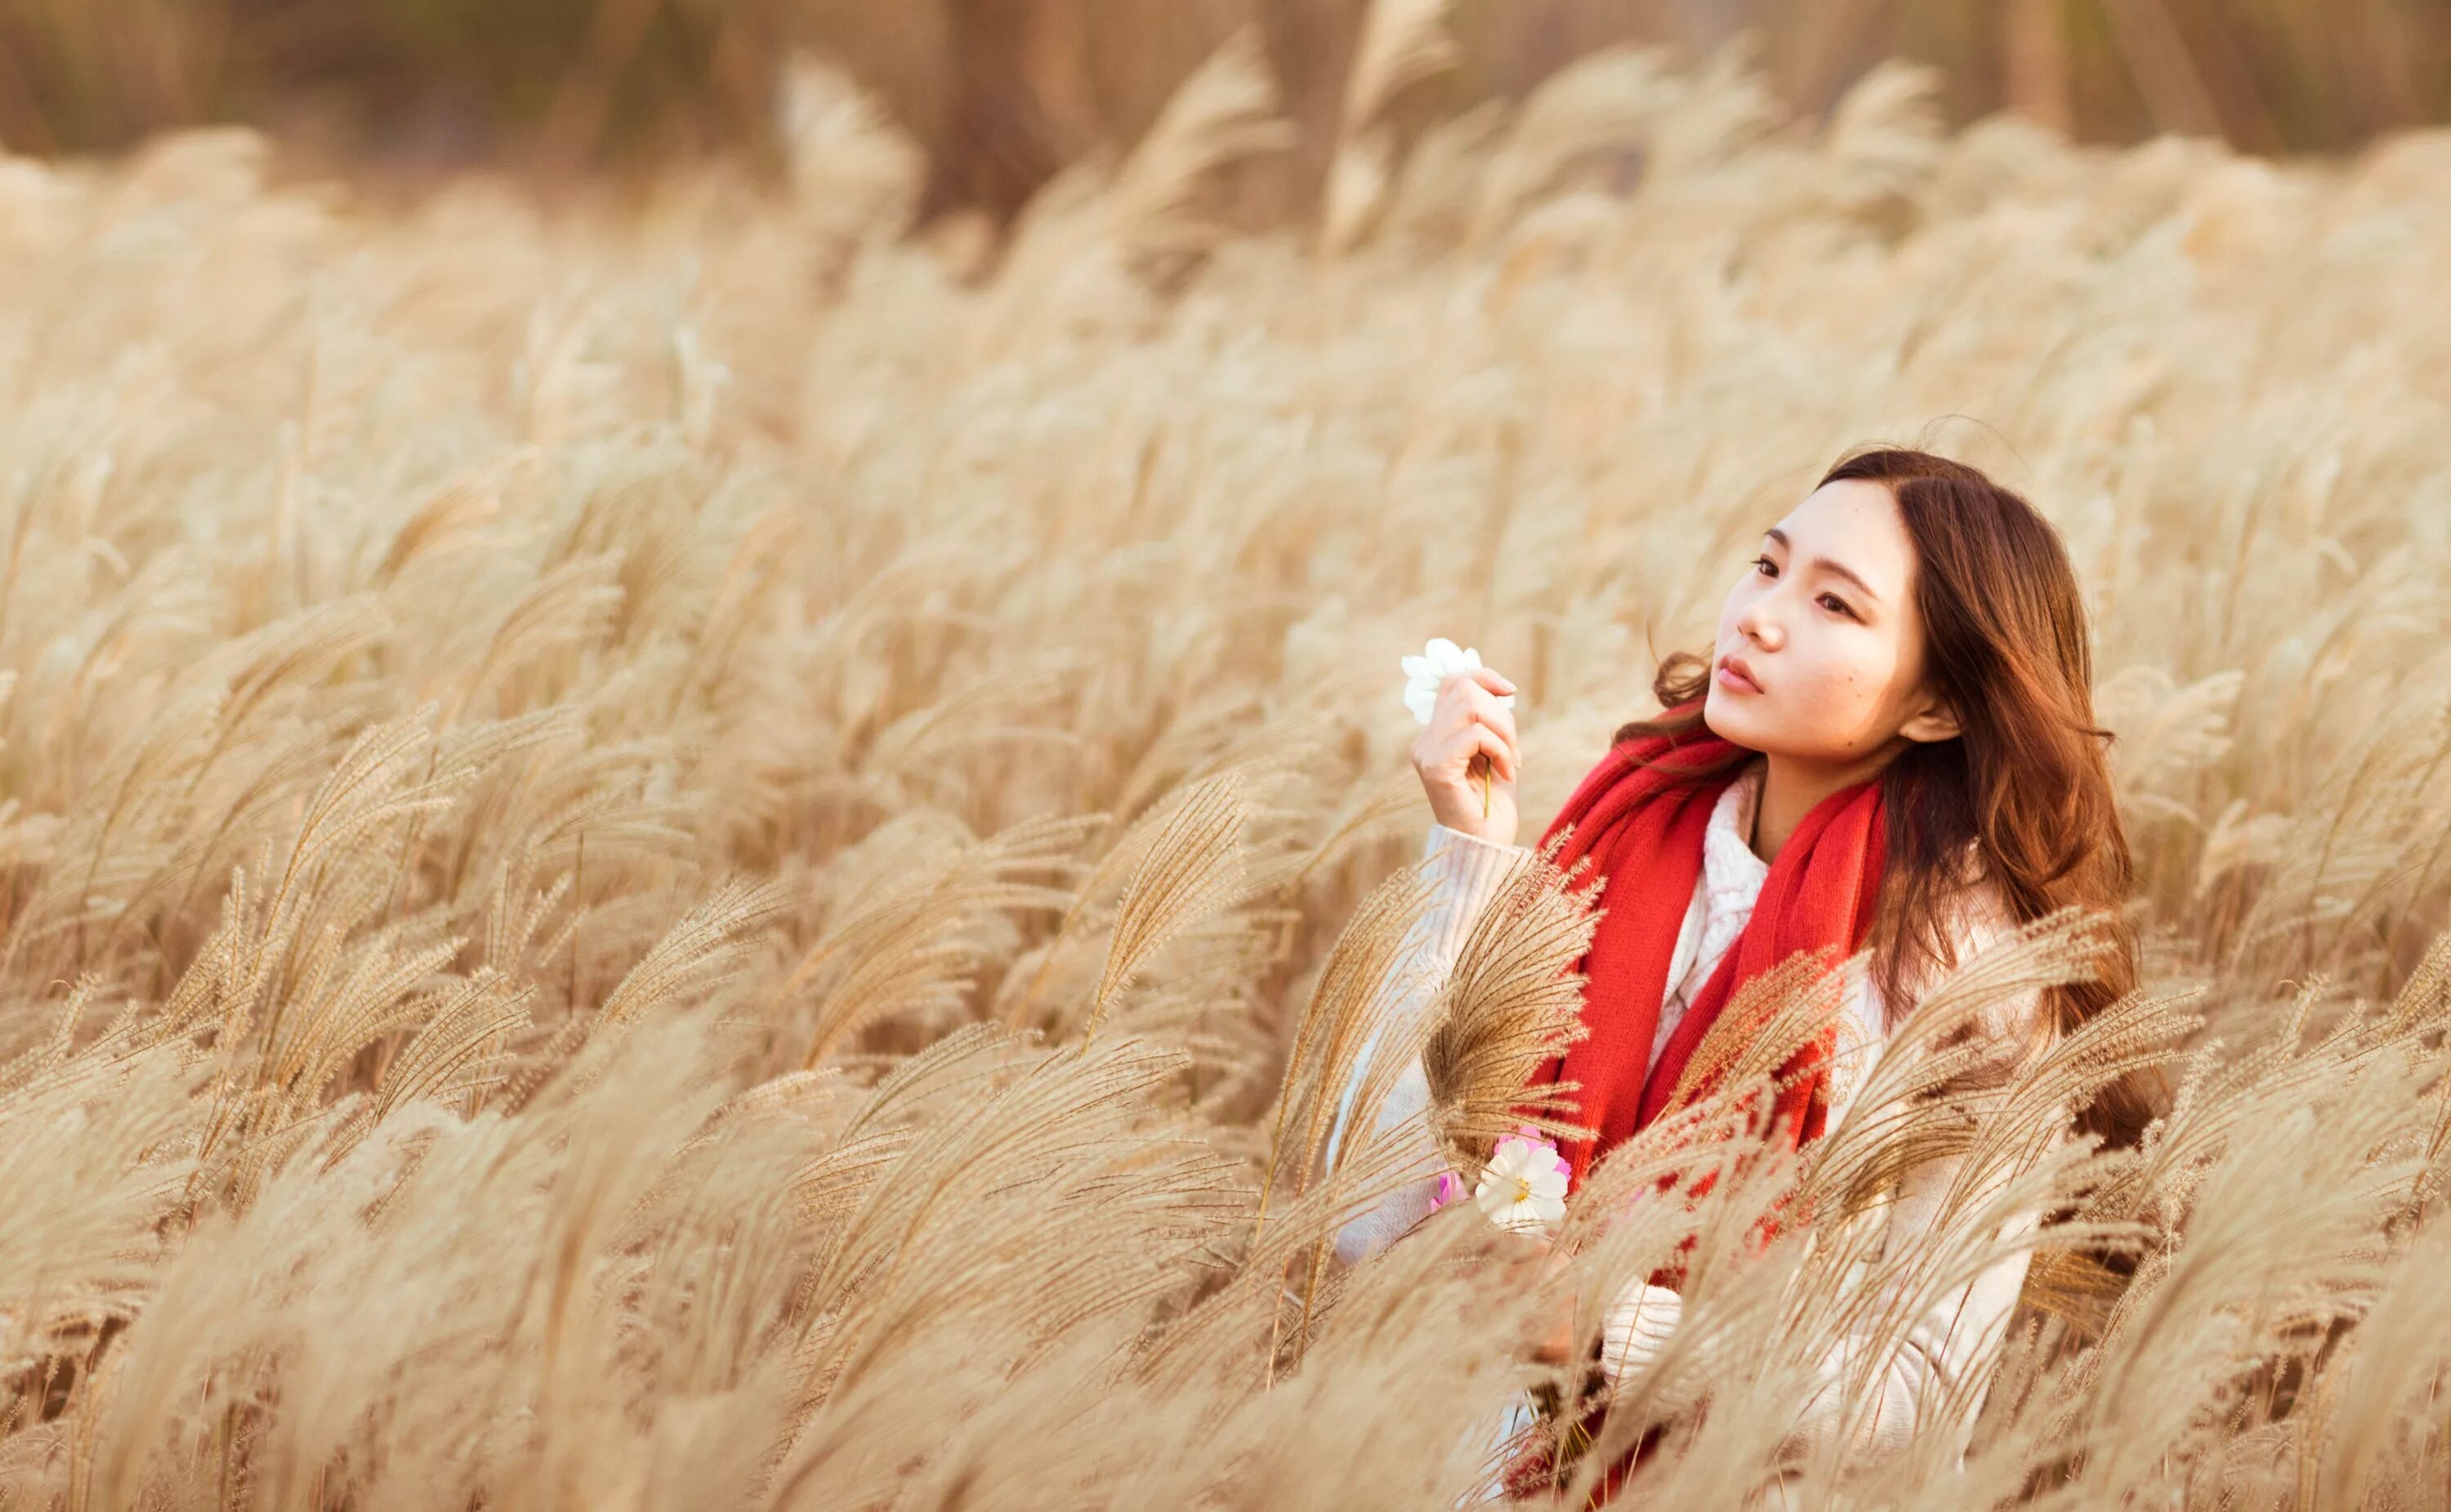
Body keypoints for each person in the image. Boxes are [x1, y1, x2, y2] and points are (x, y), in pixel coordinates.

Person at [1324, 446, 2164, 1501]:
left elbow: (1920, 1402)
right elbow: (1364, 1212)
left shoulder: (1966, 983)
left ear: (1939, 708)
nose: (1760, 617)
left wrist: (1606, 1325)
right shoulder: (1610, 853)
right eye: (1767, 568)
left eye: (1835, 605)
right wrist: (1472, 862)